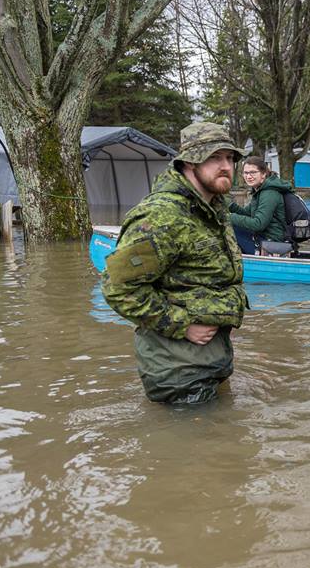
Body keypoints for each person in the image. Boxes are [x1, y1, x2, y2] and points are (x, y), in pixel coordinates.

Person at [101, 122, 248, 404]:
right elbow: (117, 288)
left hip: (208, 363)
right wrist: (182, 325)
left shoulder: (213, 209)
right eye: (214, 157)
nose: (226, 166)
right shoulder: (162, 216)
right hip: (179, 374)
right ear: (189, 163)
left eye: (230, 158)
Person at [229, 155, 293, 255]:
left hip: (271, 243)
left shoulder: (269, 193)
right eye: (246, 173)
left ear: (263, 174)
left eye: (253, 172)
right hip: (262, 238)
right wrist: (229, 205)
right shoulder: (260, 190)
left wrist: (229, 217)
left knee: (228, 225)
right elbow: (247, 213)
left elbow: (258, 224)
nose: (248, 176)